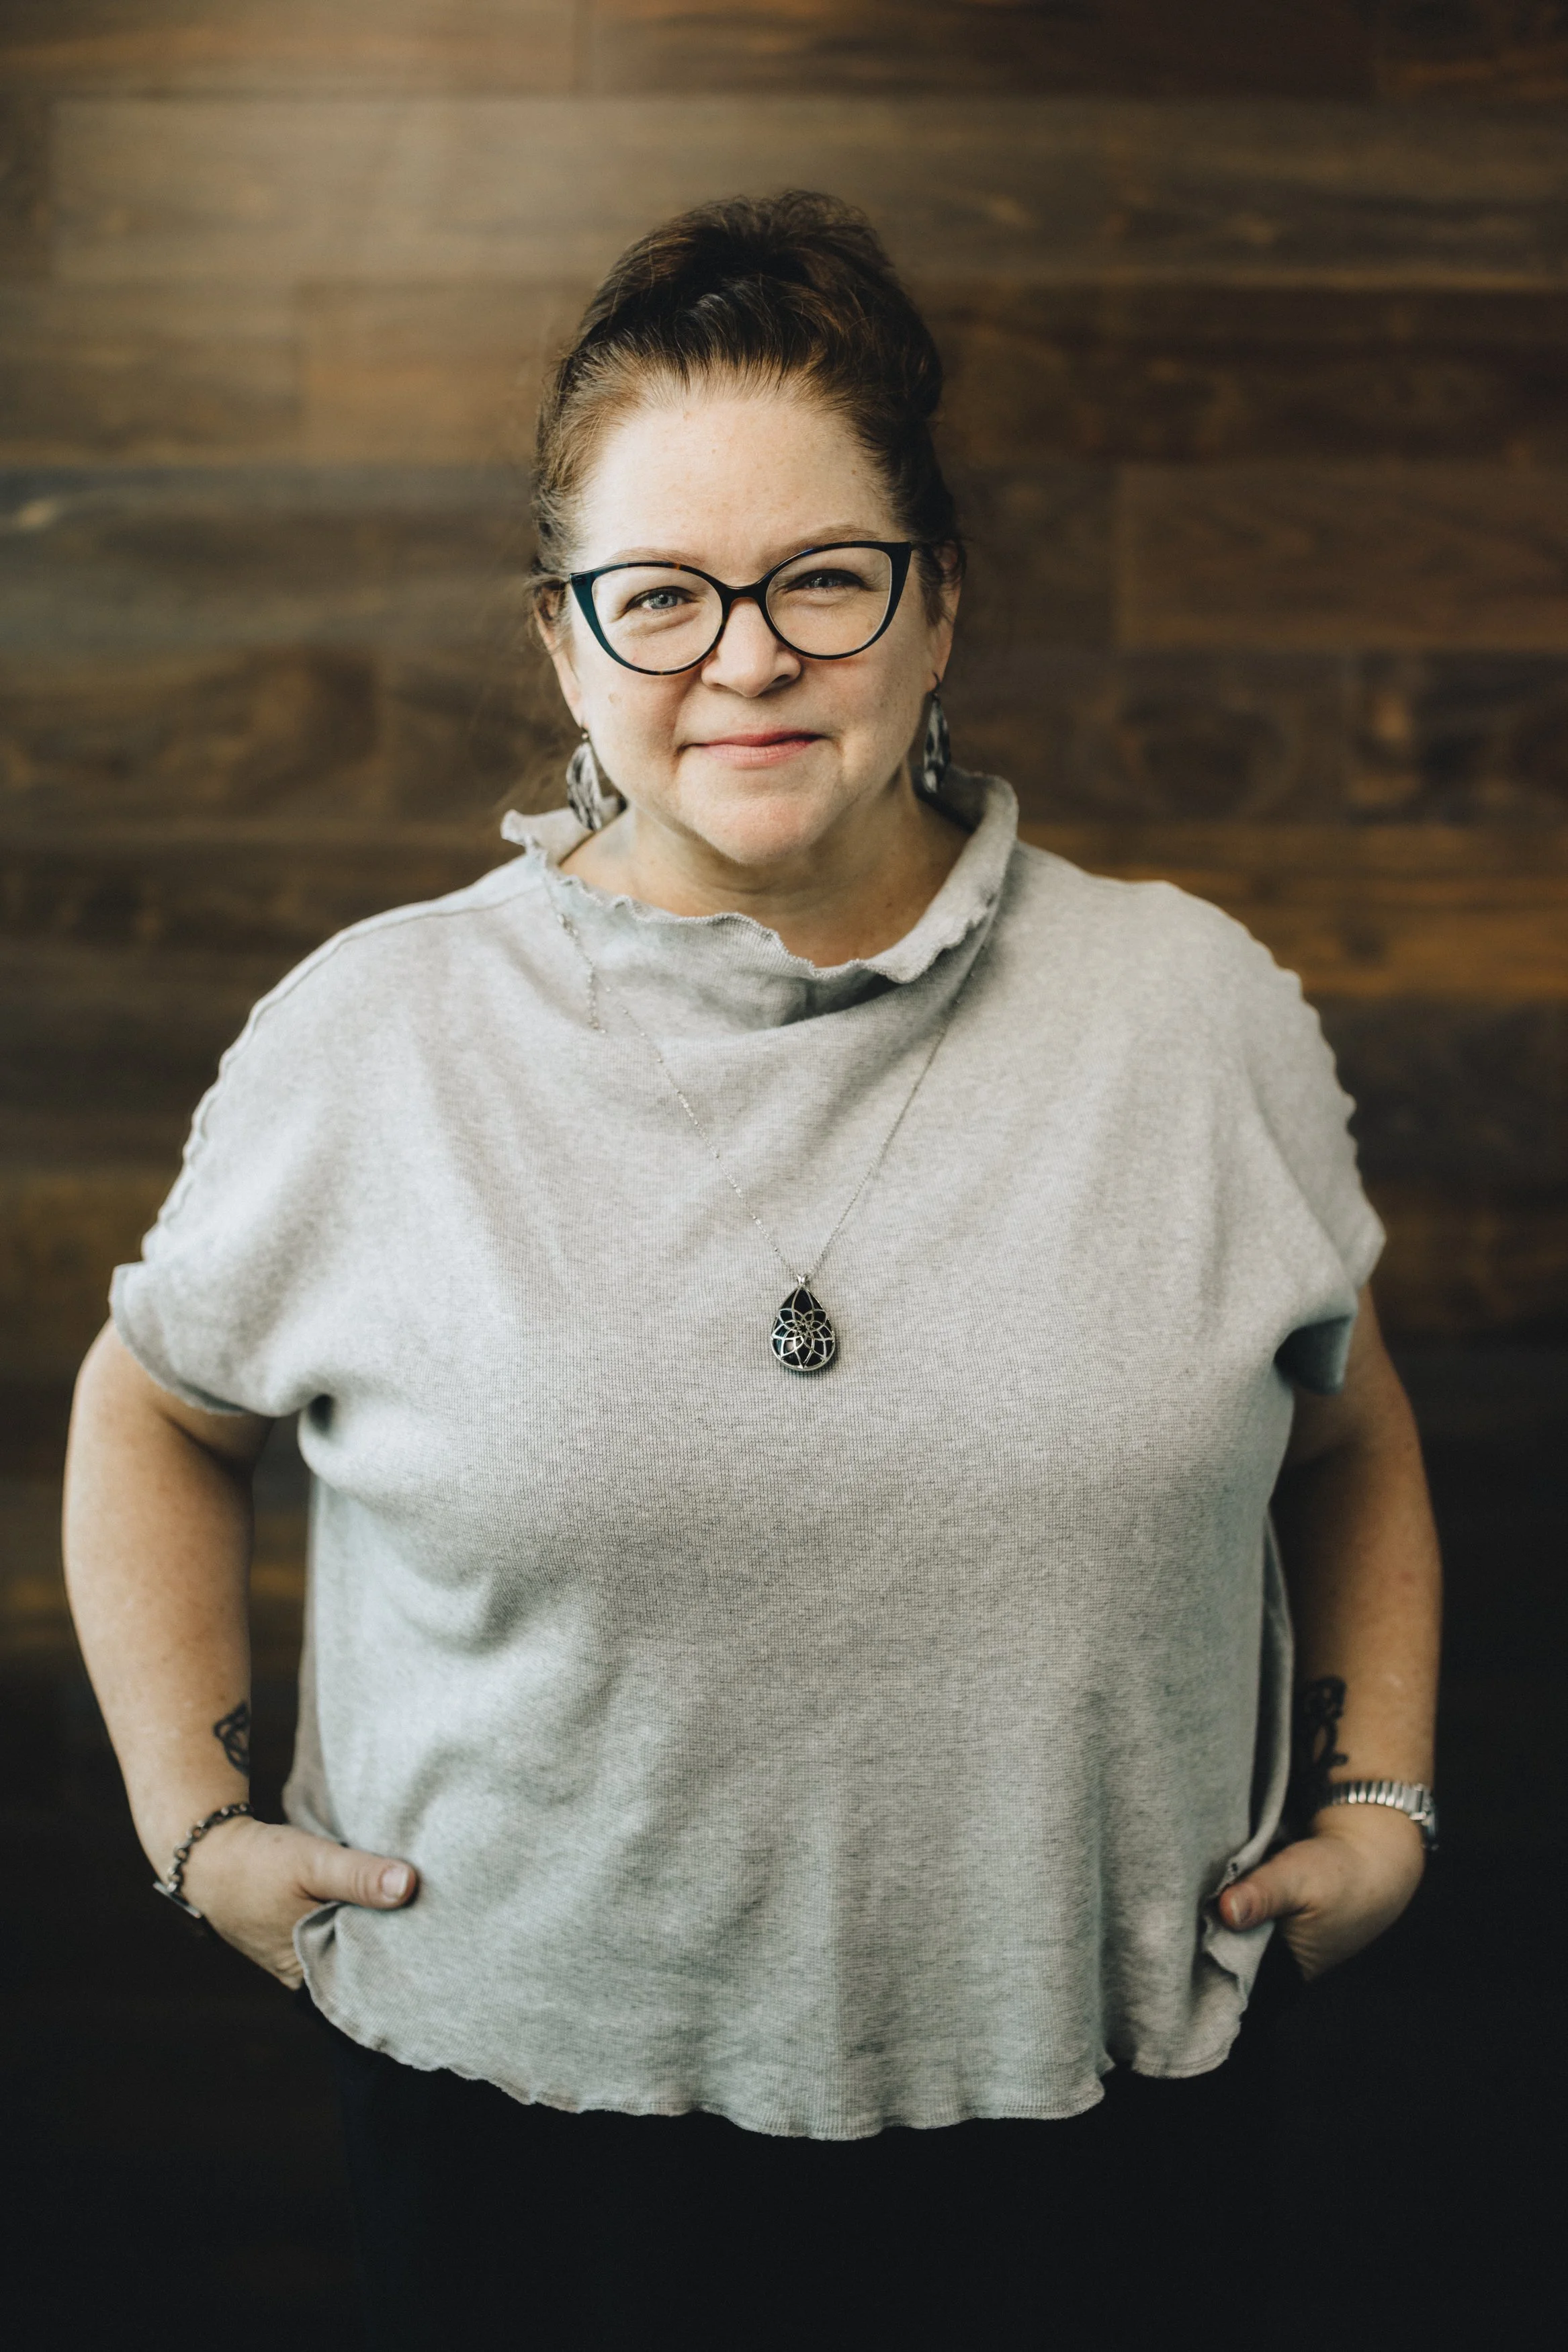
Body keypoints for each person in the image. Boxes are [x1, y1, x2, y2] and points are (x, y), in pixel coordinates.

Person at [63, 193, 1440, 2345]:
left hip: (1105, 2129)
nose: (747, 653)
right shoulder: (373, 1033)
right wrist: (192, 1822)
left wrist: (1385, 1802)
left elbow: (1346, 1429)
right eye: (659, 596)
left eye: (822, 575)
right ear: (559, 640)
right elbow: (148, 1400)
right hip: (527, 2146)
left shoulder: (1194, 1008)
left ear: (936, 606)